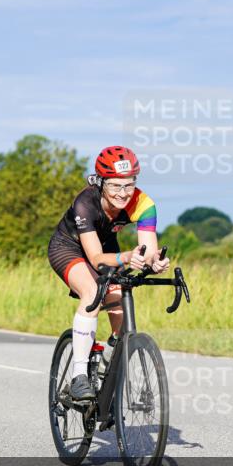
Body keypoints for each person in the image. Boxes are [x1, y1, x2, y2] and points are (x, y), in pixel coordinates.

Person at [47, 146, 170, 400]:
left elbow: (148, 249)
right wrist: (125, 257)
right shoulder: (85, 203)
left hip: (107, 247)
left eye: (129, 185)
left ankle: (108, 359)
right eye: (115, 186)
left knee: (120, 302)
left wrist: (153, 262)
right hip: (69, 247)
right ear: (100, 182)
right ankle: (79, 375)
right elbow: (94, 258)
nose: (123, 194)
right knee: (92, 293)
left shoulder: (144, 204)